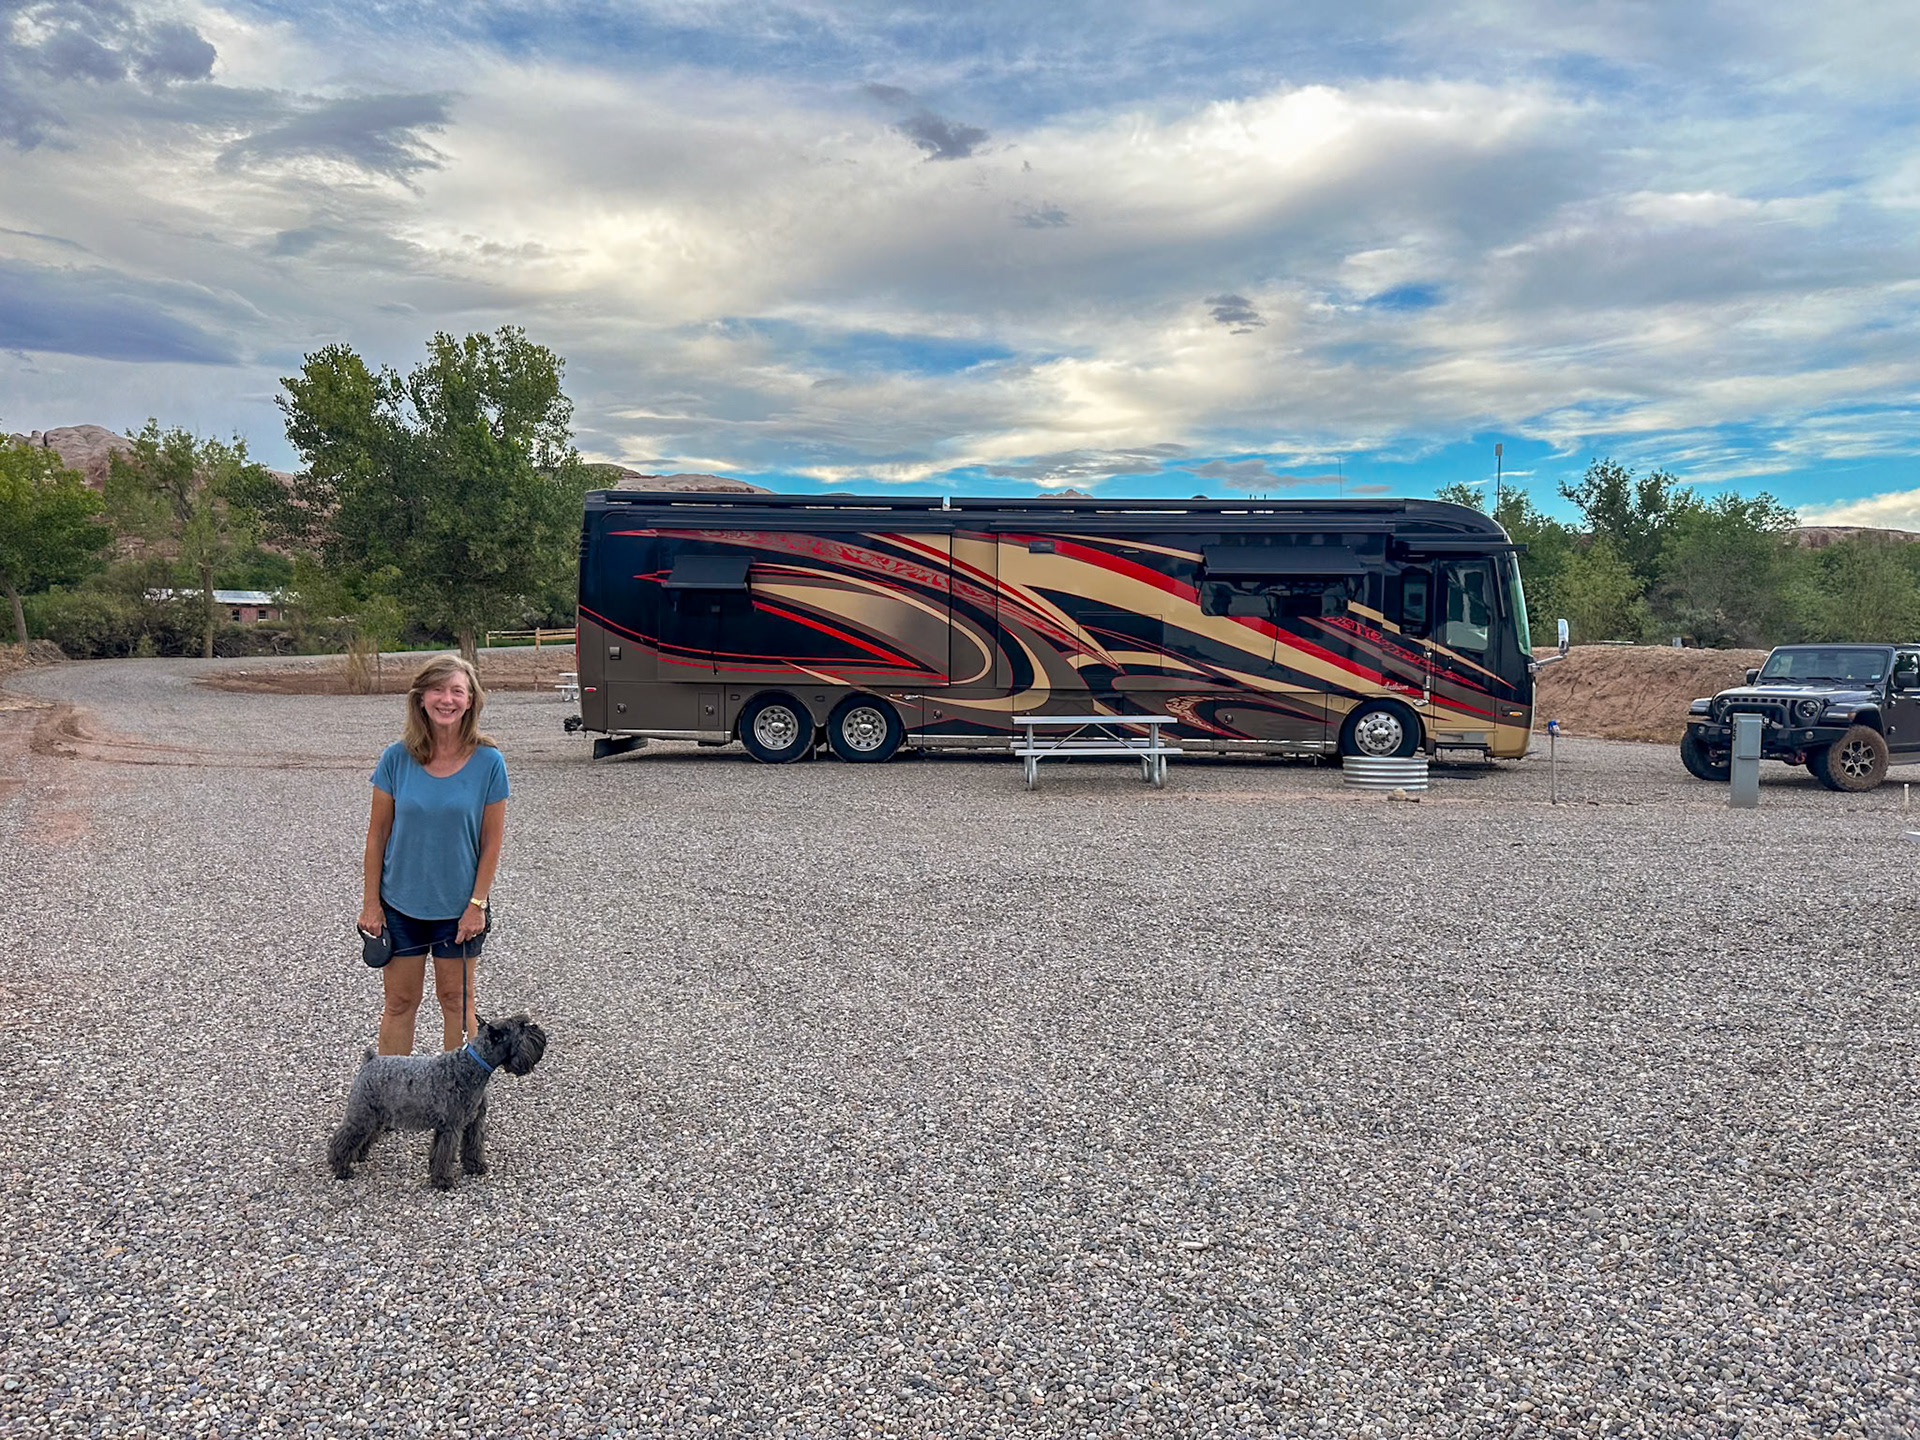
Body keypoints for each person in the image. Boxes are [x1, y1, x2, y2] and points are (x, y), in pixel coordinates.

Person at [358, 654, 510, 1055]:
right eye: (438, 690)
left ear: (471, 700)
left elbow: (492, 842)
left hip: (459, 910)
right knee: (400, 1003)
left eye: (457, 691)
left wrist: (477, 905)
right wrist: (371, 904)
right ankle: (390, 1088)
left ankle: (460, 1091)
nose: (447, 699)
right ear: (421, 698)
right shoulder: (396, 758)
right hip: (401, 905)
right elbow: (377, 836)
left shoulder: (489, 762)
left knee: (457, 1003)